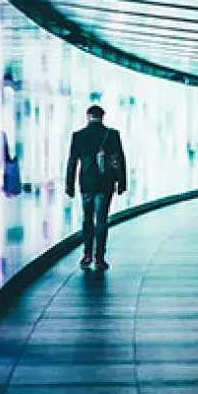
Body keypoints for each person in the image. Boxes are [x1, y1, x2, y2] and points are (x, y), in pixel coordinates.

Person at [65, 105, 127, 270]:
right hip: (106, 182)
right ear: (102, 117)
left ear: (88, 116)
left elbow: (72, 161)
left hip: (86, 183)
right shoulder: (112, 134)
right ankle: (99, 258)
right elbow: (119, 159)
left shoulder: (78, 136)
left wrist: (69, 185)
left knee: (87, 218)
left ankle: (86, 255)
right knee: (101, 220)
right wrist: (122, 182)